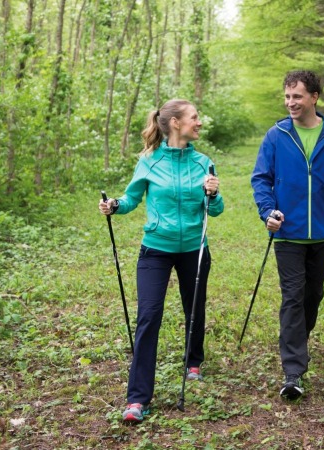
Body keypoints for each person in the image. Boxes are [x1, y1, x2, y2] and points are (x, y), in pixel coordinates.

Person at [99, 99, 223, 422]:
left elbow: (217, 210)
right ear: (175, 124)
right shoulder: (150, 162)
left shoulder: (203, 163)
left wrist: (214, 193)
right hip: (155, 247)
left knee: (194, 308)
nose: (199, 122)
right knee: (149, 317)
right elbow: (131, 199)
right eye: (194, 117)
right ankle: (137, 399)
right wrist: (114, 205)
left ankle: (193, 360)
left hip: (194, 248)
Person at [251, 70, 324, 400]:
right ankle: (293, 371)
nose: (291, 103)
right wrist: (268, 211)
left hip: (323, 233)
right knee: (292, 297)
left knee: (312, 296)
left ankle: (298, 341)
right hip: (287, 232)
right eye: (287, 97)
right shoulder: (276, 136)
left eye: (297, 96)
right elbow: (261, 179)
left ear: (314, 97)